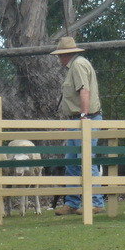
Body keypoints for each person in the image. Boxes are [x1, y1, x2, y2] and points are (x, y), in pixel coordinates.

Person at [51, 36, 105, 216]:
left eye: (60, 55)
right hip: (77, 120)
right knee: (72, 161)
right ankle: (72, 202)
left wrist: (83, 116)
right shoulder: (74, 66)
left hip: (86, 119)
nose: (59, 59)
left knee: (86, 160)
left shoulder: (78, 65)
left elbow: (84, 90)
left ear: (66, 54)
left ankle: (95, 202)